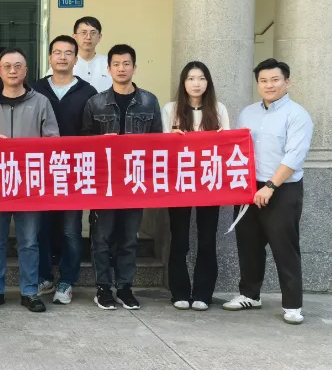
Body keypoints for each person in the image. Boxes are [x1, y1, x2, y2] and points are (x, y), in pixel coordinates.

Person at [223, 58, 312, 325]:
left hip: (283, 189)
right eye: (263, 80)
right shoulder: (247, 113)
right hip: (249, 188)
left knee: (284, 247)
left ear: (287, 82)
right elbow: (236, 149)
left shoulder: (297, 115)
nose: (269, 85)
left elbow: (294, 156)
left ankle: (293, 305)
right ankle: (250, 295)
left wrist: (271, 186)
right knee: (248, 244)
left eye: (275, 80)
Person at [0, 47, 59, 313]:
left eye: (18, 66)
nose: (12, 71)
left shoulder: (41, 102)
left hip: (29, 182)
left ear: (26, 70)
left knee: (29, 241)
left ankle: (30, 292)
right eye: (7, 66)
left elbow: (53, 139)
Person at [81, 44, 163, 311]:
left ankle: (125, 287)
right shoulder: (95, 102)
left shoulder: (149, 101)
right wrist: (99, 141)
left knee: (129, 238)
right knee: (102, 238)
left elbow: (158, 143)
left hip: (134, 181)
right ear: (108, 69)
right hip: (104, 182)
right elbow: (83, 142)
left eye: (126, 64)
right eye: (116, 64)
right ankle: (103, 288)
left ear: (134, 68)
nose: (121, 69)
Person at [32, 36, 97, 305]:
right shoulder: (34, 89)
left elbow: (92, 131)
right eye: (57, 52)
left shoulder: (88, 92)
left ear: (75, 59)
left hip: (74, 171)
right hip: (41, 170)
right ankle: (44, 276)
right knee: (41, 228)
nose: (62, 57)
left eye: (68, 53)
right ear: (49, 58)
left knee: (71, 229)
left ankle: (67, 280)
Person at [162, 61, 231, 312]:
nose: (196, 83)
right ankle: (179, 291)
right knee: (179, 239)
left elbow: (228, 145)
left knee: (207, 239)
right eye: (191, 78)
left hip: (209, 182)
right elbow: (161, 145)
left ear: (208, 82)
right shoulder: (170, 109)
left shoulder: (218, 109)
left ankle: (203, 293)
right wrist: (172, 139)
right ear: (183, 83)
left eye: (201, 78)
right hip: (179, 182)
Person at [69, 16, 112, 92]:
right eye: (83, 33)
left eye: (93, 33)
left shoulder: (110, 63)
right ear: (74, 37)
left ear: (99, 37)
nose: (88, 37)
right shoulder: (65, 63)